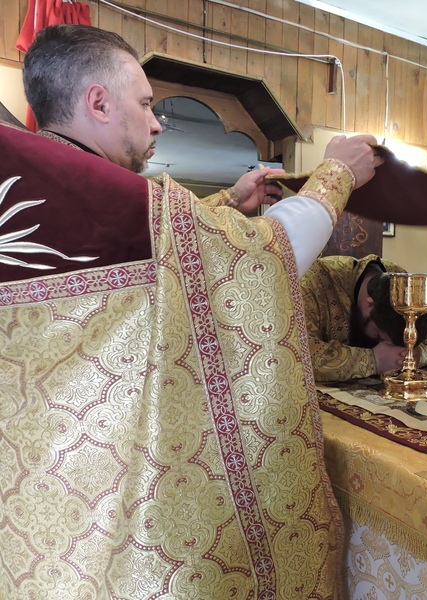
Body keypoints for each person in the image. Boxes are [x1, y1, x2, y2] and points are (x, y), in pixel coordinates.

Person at [0, 24, 382, 599]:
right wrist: (337, 175)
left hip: (39, 519)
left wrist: (228, 202)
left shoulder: (36, 182)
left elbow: (159, 253)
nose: (156, 123)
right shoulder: (106, 196)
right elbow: (262, 260)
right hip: (118, 534)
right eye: (145, 103)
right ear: (98, 102)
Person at [301, 254, 427, 382]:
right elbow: (299, 356)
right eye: (379, 336)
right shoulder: (310, 281)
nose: (390, 348)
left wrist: (416, 353)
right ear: (370, 304)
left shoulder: (404, 284)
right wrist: (373, 360)